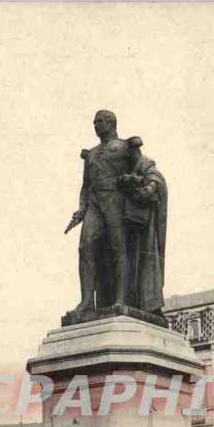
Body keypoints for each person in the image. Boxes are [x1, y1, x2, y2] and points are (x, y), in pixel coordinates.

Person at [66, 110, 142, 317]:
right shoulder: (90, 153)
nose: (95, 125)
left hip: (116, 200)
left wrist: (131, 180)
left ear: (110, 122)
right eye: (94, 122)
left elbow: (142, 171)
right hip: (94, 203)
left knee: (118, 248)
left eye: (99, 121)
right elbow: (85, 185)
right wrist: (81, 208)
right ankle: (87, 301)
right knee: (86, 247)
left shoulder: (126, 146)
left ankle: (121, 298)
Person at [120, 145, 167, 314]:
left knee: (145, 262)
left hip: (143, 224)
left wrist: (148, 187)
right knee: (132, 262)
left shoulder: (145, 163)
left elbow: (155, 178)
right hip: (130, 223)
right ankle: (135, 299)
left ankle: (150, 302)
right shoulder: (128, 167)